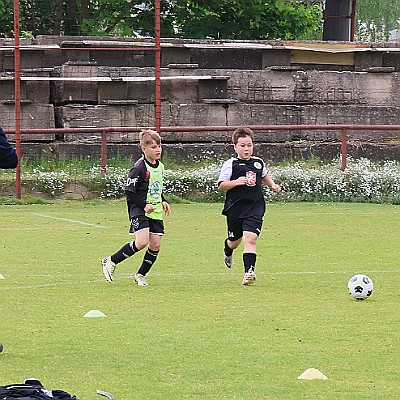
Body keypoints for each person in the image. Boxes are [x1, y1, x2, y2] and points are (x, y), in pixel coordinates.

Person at [101, 129, 171, 286]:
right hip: (139, 209)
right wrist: (144, 205)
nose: (158, 149)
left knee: (155, 245)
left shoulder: (160, 167)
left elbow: (156, 187)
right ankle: (111, 261)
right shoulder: (138, 168)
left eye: (159, 145)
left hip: (155, 210)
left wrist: (163, 200)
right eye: (153, 147)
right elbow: (129, 191)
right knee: (141, 242)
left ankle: (140, 275)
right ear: (143, 149)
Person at [217, 127, 281, 286]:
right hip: (235, 208)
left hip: (255, 206)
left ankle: (249, 272)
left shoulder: (258, 162)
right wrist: (236, 182)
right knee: (234, 241)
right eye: (243, 145)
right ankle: (227, 250)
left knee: (250, 238)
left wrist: (272, 185)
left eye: (249, 145)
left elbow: (264, 175)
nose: (246, 149)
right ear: (235, 147)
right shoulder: (231, 164)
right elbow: (221, 185)